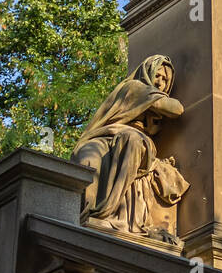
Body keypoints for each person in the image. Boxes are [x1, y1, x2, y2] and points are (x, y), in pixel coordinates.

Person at [71, 55, 188, 237]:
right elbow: (169, 106)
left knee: (131, 139)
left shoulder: (148, 100)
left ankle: (107, 211)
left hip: (135, 139)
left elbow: (177, 108)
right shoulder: (135, 88)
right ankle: (86, 216)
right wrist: (155, 102)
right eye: (157, 76)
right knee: (88, 155)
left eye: (165, 80)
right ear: (146, 73)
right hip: (106, 136)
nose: (160, 83)